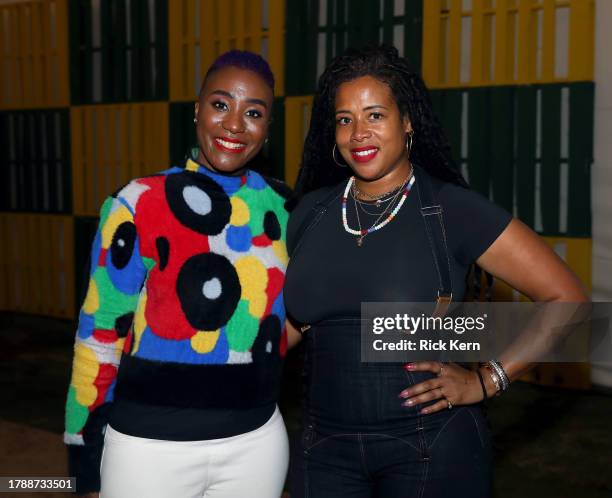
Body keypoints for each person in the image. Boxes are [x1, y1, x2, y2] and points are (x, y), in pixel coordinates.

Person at [283, 45, 588, 498]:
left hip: (429, 450)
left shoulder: (452, 210)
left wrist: (487, 379)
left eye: (375, 115)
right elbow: (296, 327)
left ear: (407, 122)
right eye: (345, 119)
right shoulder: (310, 212)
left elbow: (571, 302)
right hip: (323, 451)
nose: (358, 133)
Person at [64, 50, 291, 498]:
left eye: (254, 113)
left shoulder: (286, 209)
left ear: (268, 127)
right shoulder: (138, 202)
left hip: (256, 445)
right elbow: (99, 337)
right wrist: (83, 460)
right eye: (220, 104)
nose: (233, 125)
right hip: (147, 452)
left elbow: (296, 316)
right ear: (196, 109)